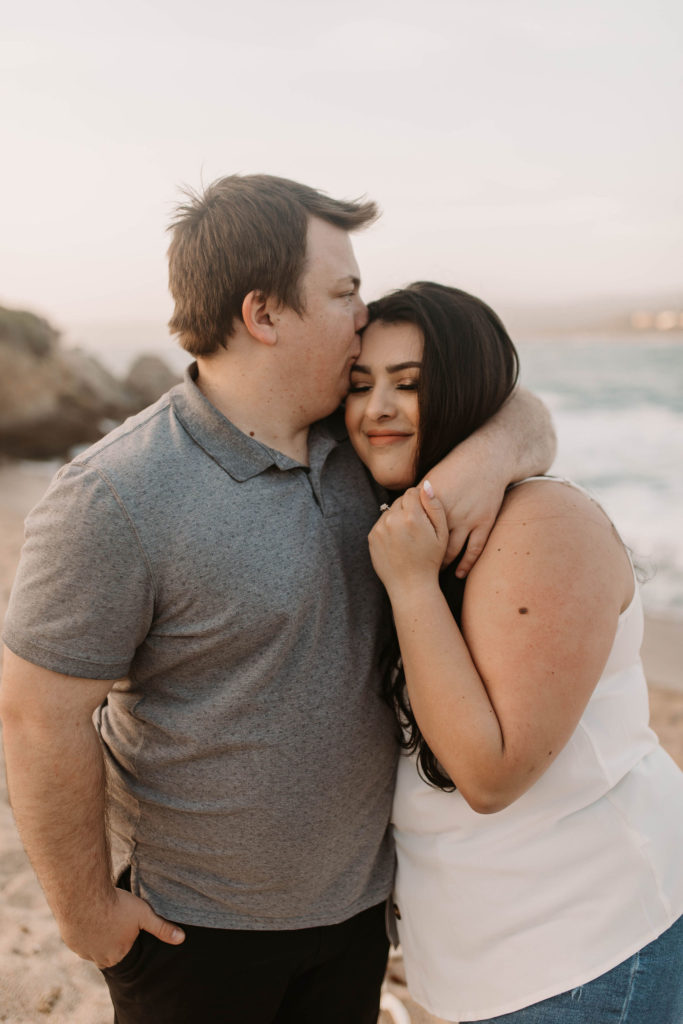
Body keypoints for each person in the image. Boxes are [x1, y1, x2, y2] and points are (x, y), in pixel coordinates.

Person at [0, 178, 555, 1024]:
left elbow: (513, 403)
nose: (363, 315)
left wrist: (487, 461)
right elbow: (37, 716)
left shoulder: (358, 439)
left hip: (361, 914)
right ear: (265, 315)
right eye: (343, 293)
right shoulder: (115, 495)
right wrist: (88, 918)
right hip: (193, 936)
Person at [344, 281, 683, 1024]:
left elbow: (490, 772)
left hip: (589, 950)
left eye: (410, 385)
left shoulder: (541, 523)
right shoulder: (402, 517)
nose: (377, 409)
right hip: (486, 962)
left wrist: (408, 585)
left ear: (465, 391)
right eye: (359, 384)